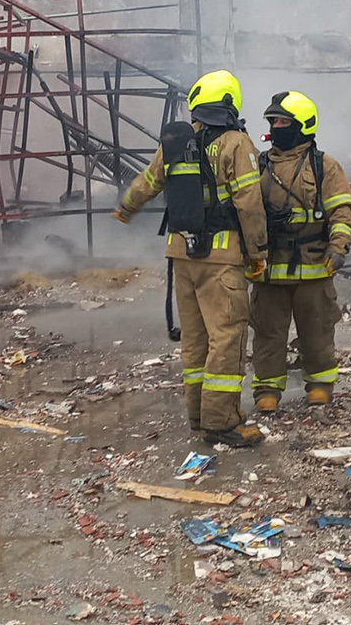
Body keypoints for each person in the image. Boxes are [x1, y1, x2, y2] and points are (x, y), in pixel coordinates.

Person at [113, 69, 269, 447]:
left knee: (195, 342)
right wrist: (257, 253)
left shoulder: (176, 143)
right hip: (221, 259)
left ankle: (199, 416)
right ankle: (223, 422)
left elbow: (147, 184)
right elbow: (249, 204)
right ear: (230, 103)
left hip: (181, 256)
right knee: (227, 338)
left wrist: (125, 210)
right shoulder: (236, 143)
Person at [247, 91, 351, 412]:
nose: (276, 127)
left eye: (283, 121)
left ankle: (320, 385)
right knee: (268, 333)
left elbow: (342, 211)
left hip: (314, 266)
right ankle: (267, 390)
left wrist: (338, 249)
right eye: (273, 121)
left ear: (303, 125)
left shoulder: (325, 167)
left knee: (317, 331)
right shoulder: (259, 165)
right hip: (269, 269)